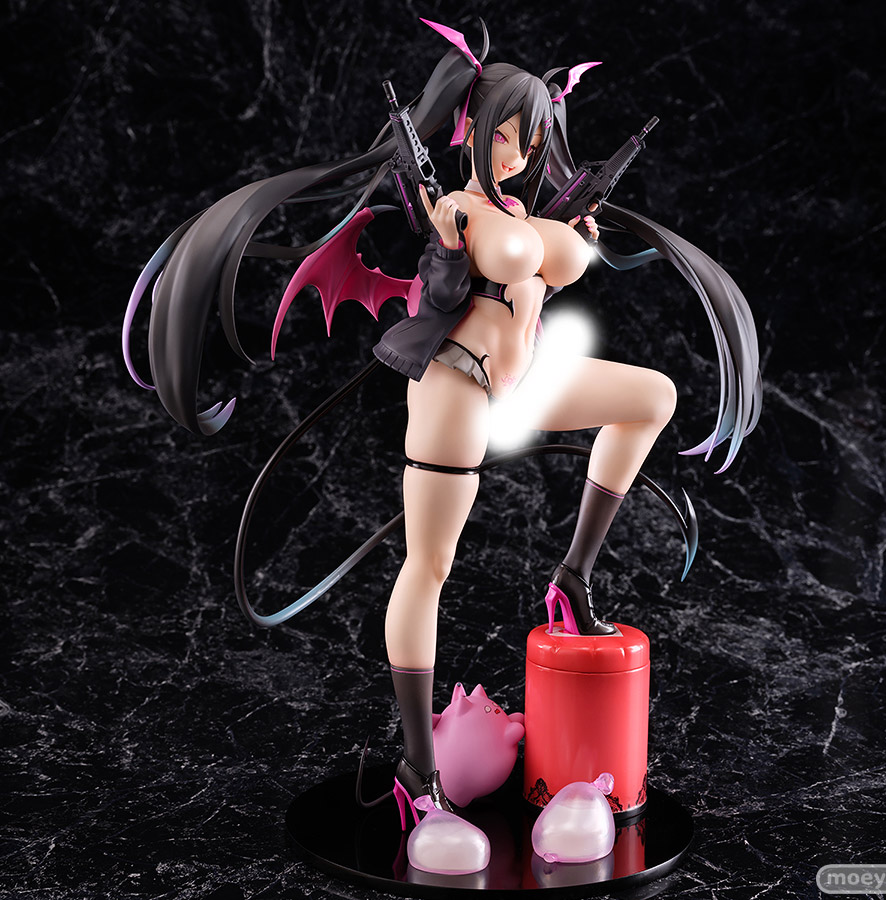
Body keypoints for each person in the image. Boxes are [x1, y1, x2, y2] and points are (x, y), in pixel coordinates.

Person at [123, 18, 761, 823]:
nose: (520, 154)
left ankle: (571, 578)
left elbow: (553, 257)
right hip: (457, 386)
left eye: (533, 139)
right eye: (508, 135)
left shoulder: (523, 208)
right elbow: (500, 262)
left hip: (523, 382)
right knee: (430, 565)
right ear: (473, 128)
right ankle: (416, 768)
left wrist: (568, 232)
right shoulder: (455, 205)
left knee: (653, 397)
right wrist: (528, 236)